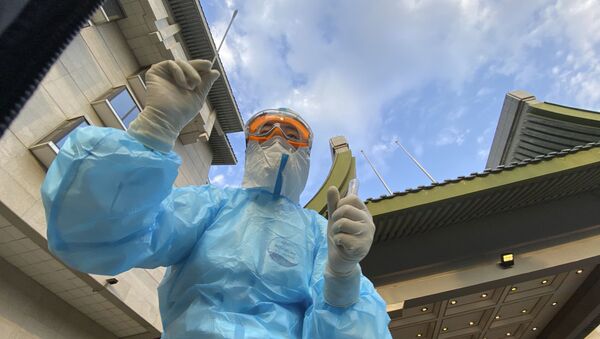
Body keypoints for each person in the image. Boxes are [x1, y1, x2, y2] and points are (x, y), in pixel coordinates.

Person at [41, 59, 391, 338]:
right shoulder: (210, 206)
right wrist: (154, 129)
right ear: (250, 143)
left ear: (307, 152)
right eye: (264, 129)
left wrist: (343, 276)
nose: (277, 138)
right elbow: (96, 236)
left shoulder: (319, 234)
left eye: (293, 133)